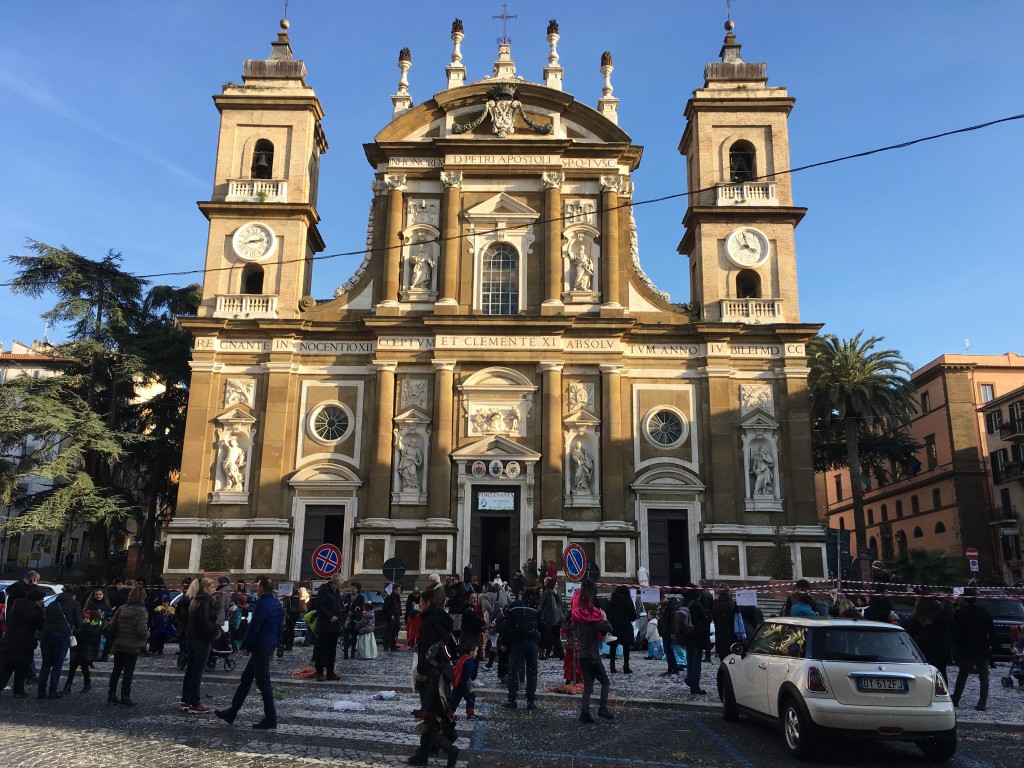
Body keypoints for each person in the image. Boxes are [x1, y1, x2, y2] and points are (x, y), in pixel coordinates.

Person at [215, 577, 283, 729]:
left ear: (262, 589)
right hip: (267, 646)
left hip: (260, 647)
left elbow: (254, 628)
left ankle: (271, 718)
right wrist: (274, 647)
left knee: (263, 684)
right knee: (246, 679)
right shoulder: (276, 604)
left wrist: (246, 645)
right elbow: (279, 628)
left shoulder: (262, 604)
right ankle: (232, 712)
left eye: (258, 587)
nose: (256, 589)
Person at [406, 640, 460, 767]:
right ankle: (422, 758)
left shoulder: (435, 673)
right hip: (440, 707)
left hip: (434, 708)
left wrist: (424, 708)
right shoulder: (445, 670)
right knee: (426, 732)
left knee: (431, 732)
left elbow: (430, 693)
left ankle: (451, 750)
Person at [572, 579, 614, 723]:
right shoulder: (593, 621)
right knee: (605, 682)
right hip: (593, 657)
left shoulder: (577, 620)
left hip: (582, 656)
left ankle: (584, 713)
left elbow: (566, 628)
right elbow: (608, 629)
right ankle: (603, 708)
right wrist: (604, 618)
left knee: (588, 686)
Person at [950, 588, 996, 711]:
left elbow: (955, 633)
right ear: (976, 599)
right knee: (983, 676)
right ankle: (982, 702)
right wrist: (989, 644)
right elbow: (992, 632)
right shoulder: (984, 613)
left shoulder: (960, 614)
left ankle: (956, 699)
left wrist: (957, 646)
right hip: (982, 648)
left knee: (963, 674)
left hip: (966, 649)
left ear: (965, 599)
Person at [38, 585, 84, 699]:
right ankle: (53, 691)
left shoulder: (53, 604)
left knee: (46, 664)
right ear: (73, 595)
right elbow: (79, 623)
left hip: (47, 634)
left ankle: (41, 692)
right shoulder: (75, 604)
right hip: (62, 635)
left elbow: (46, 618)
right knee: (57, 664)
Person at [415, 588, 454, 719]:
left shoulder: (429, 621)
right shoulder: (442, 617)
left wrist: (422, 671)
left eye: (421, 601)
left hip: (431, 667)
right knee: (439, 701)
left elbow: (427, 648)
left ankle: (431, 730)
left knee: (428, 702)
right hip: (442, 665)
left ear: (428, 603)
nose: (419, 604)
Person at [107, 586, 149, 706]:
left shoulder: (122, 608)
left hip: (119, 643)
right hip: (132, 645)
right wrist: (148, 634)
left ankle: (112, 694)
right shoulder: (142, 611)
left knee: (116, 670)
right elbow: (142, 631)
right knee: (128, 673)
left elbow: (112, 623)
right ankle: (125, 696)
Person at [181, 577, 218, 713]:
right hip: (202, 638)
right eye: (212, 587)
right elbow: (204, 620)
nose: (214, 590)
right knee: (197, 671)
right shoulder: (205, 601)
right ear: (205, 588)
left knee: (190, 670)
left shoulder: (194, 600)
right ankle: (195, 703)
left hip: (191, 637)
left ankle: (186, 700)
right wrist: (214, 631)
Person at [0, 587, 46, 697]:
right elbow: (41, 626)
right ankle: (18, 691)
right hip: (25, 642)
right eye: (41, 599)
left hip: (11, 640)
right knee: (22, 667)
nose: (42, 601)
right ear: (37, 599)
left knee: (8, 666)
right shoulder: (35, 611)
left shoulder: (16, 606)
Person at [501, 588, 542, 711]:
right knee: (532, 671)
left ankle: (512, 699)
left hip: (518, 642)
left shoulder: (512, 610)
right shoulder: (534, 610)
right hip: (533, 642)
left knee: (513, 669)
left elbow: (506, 627)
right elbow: (542, 627)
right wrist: (543, 645)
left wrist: (504, 643)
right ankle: (531, 700)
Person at [905, 596, 953, 686]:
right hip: (940, 651)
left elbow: (908, 629)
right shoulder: (942, 619)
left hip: (923, 651)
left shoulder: (917, 620)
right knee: (941, 674)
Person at [681, 585, 711, 696]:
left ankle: (690, 679)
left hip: (687, 635)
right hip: (697, 637)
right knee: (696, 661)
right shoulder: (697, 605)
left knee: (689, 659)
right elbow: (704, 620)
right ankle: (695, 686)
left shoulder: (683, 603)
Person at [63, 608, 102, 694]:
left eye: (87, 617)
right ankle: (68, 685)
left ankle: (87, 684)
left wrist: (86, 625)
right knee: (73, 668)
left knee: (84, 668)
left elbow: (92, 636)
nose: (85, 619)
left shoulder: (94, 626)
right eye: (84, 617)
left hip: (86, 650)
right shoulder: (82, 625)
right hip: (78, 649)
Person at [314, 574, 344, 680]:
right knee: (322, 649)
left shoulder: (337, 592)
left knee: (332, 650)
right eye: (342, 580)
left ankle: (330, 672)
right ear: (336, 581)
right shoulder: (324, 590)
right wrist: (330, 616)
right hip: (325, 625)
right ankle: (319, 672)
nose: (343, 582)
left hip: (335, 626)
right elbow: (319, 606)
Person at [605, 585, 636, 674]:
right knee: (626, 647)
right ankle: (626, 666)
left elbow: (606, 612)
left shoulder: (612, 601)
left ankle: (612, 666)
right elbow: (633, 615)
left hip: (613, 627)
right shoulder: (627, 600)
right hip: (625, 626)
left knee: (613, 646)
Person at [449, 638, 479, 720]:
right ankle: (470, 714)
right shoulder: (469, 662)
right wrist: (470, 687)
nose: (476, 653)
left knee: (454, 700)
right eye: (476, 651)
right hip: (464, 684)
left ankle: (449, 714)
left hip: (457, 683)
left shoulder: (462, 658)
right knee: (471, 698)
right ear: (471, 652)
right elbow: (467, 676)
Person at [537, 578, 565, 661]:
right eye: (555, 584)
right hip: (550, 618)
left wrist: (556, 594)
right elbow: (541, 601)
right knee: (552, 636)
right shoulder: (547, 592)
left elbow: (561, 603)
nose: (556, 586)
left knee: (553, 636)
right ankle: (554, 653)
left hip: (557, 618)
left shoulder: (556, 592)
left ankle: (555, 653)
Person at [657, 591, 682, 677]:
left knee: (670, 650)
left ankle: (674, 669)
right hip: (665, 631)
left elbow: (673, 620)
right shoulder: (664, 606)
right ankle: (671, 668)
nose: (658, 603)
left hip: (669, 632)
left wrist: (672, 632)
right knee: (667, 650)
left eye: (659, 600)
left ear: (663, 598)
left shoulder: (671, 606)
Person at [712, 587, 739, 660]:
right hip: (731, 632)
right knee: (731, 654)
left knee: (722, 655)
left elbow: (713, 617)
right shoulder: (733, 603)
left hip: (720, 632)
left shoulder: (715, 604)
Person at [342, 582, 366, 660]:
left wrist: (354, 613)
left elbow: (361, 608)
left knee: (354, 637)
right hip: (347, 619)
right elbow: (344, 605)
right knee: (345, 636)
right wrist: (346, 611)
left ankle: (353, 653)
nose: (352, 589)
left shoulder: (361, 597)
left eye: (353, 588)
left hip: (355, 620)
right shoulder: (348, 596)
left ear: (357, 589)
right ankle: (345, 653)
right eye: (351, 588)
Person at [382, 583, 402, 652]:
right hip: (391, 617)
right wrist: (391, 615)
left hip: (397, 616)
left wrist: (399, 613)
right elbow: (386, 608)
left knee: (395, 631)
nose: (399, 591)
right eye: (398, 589)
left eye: (400, 589)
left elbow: (398, 607)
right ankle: (386, 646)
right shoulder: (389, 598)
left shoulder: (398, 598)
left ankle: (393, 645)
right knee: (389, 632)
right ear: (394, 590)